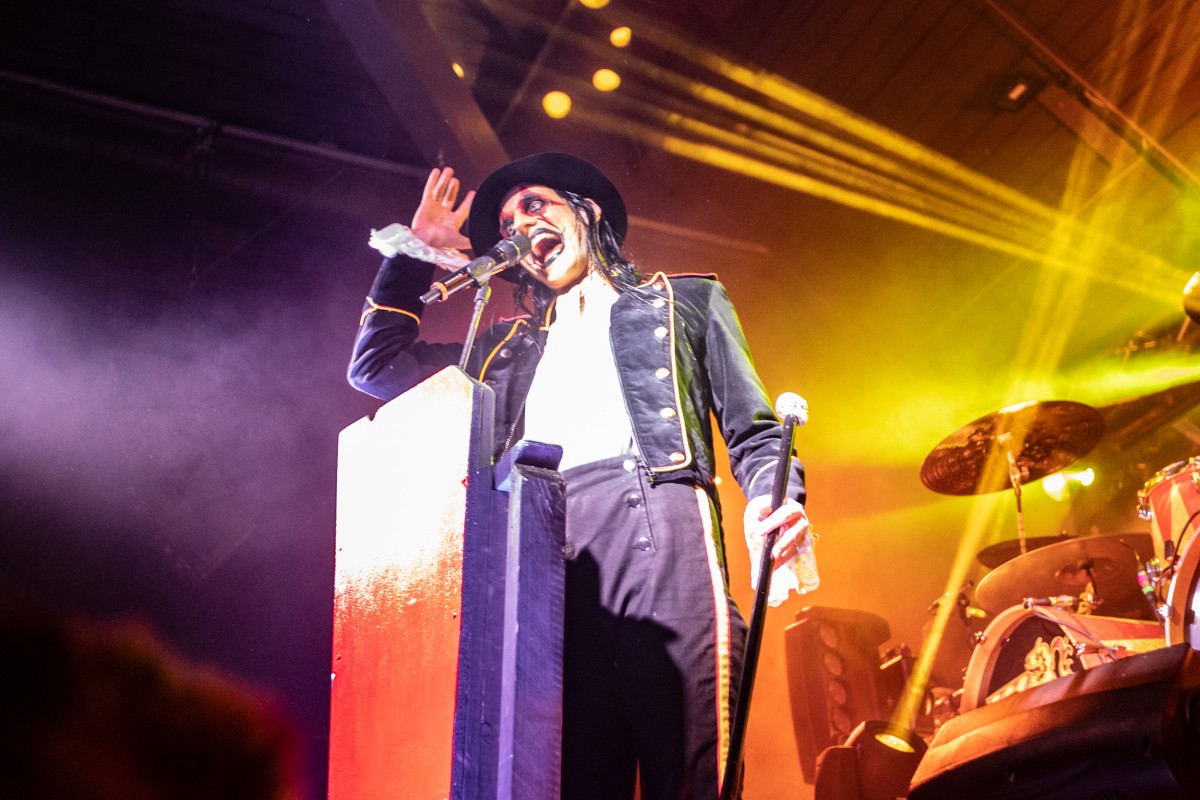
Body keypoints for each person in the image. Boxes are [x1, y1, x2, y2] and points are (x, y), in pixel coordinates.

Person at [347, 152, 815, 800]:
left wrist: (773, 499)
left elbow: (754, 430)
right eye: (507, 223)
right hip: (549, 561)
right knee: (572, 778)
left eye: (534, 205)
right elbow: (375, 367)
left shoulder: (684, 301)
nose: (519, 226)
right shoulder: (503, 348)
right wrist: (412, 255)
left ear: (585, 211)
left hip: (661, 532)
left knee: (693, 774)